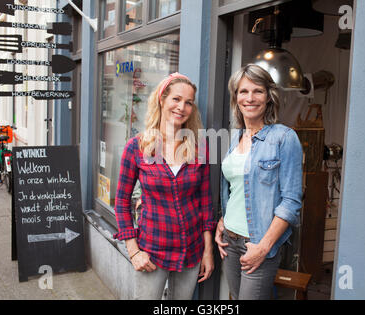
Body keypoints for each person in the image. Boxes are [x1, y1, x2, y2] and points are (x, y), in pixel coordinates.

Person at [113, 73, 216, 300]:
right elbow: (121, 202)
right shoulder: (137, 147)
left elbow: (206, 204)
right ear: (162, 100)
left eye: (188, 102)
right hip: (151, 252)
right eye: (176, 99)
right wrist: (133, 252)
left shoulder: (199, 148)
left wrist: (208, 252)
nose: (182, 107)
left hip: (191, 252)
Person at [215, 64, 303, 300]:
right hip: (229, 241)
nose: (250, 98)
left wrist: (263, 247)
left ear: (268, 97)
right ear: (236, 97)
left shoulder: (284, 138)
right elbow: (236, 188)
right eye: (243, 91)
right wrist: (223, 221)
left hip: (258, 244)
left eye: (257, 91)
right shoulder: (234, 138)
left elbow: (292, 201)